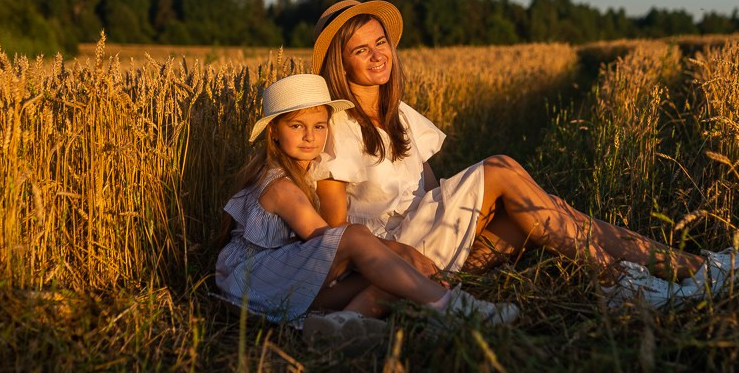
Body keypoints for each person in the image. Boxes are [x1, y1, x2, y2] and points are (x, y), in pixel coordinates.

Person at [309, 0, 739, 309]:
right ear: (340, 62)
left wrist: (471, 226)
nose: (378, 55)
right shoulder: (336, 132)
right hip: (397, 257)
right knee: (500, 169)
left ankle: (697, 269)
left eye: (381, 42)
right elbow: (335, 239)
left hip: (438, 244)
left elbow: (433, 191)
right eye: (360, 49)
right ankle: (621, 285)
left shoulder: (401, 116)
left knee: (550, 213)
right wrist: (399, 257)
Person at [215, 73, 519, 343]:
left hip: (292, 280)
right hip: (259, 281)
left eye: (319, 126)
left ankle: (342, 324)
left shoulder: (305, 173)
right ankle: (453, 308)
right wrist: (399, 249)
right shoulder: (280, 185)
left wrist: (400, 257)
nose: (310, 136)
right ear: (274, 133)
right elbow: (326, 239)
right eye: (297, 126)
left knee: (396, 276)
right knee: (359, 238)